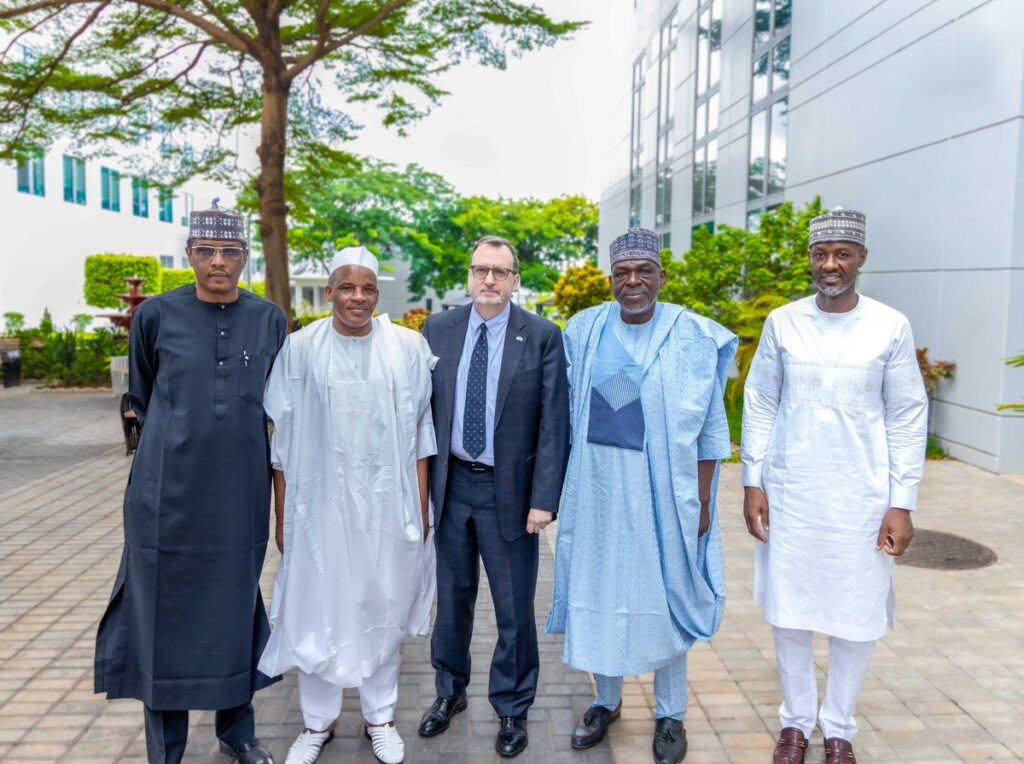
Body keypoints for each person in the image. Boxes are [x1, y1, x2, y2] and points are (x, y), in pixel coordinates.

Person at [94, 200, 286, 764]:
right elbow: (144, 397)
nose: (218, 262)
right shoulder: (155, 315)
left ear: (245, 257)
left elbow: (279, 404)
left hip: (238, 497)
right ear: (190, 256)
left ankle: (237, 731)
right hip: (165, 498)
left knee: (234, 608)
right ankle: (167, 745)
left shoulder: (269, 319)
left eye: (230, 252)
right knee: (162, 616)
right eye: (207, 251)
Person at [741, 208, 928, 764]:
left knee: (855, 614)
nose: (831, 265)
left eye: (842, 254)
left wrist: (903, 501)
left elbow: (907, 416)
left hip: (861, 497)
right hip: (793, 493)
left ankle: (840, 728)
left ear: (861, 258)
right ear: (809, 260)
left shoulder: (889, 325)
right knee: (790, 612)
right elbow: (761, 403)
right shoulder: (783, 322)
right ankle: (795, 725)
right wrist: (753, 481)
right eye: (821, 255)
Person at [546, 227, 736, 764]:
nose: (633, 282)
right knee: (601, 593)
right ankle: (605, 701)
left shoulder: (693, 335)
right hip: (599, 494)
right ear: (611, 280)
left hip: (664, 498)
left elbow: (712, 428)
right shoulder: (583, 330)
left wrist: (699, 501)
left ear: (661, 277)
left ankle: (670, 714)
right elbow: (561, 412)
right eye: (623, 273)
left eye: (643, 272)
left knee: (664, 600)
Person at [258, 247, 437, 764]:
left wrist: (420, 515)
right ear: (331, 290)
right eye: (346, 287)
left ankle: (380, 717)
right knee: (317, 605)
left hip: (389, 506)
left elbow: (422, 436)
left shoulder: (407, 348)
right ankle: (318, 723)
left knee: (381, 604)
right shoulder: (300, 349)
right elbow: (282, 444)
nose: (357, 297)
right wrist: (283, 516)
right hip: (319, 508)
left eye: (367, 288)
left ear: (377, 294)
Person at [416, 236, 570, 758]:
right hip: (453, 485)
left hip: (511, 492)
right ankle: (448, 692)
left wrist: (543, 498)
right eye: (481, 270)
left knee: (512, 608)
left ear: (515, 279)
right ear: (469, 275)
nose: (489, 281)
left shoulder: (543, 336)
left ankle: (511, 705)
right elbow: (419, 414)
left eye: (500, 273)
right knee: (452, 601)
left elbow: (554, 426)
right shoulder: (437, 330)